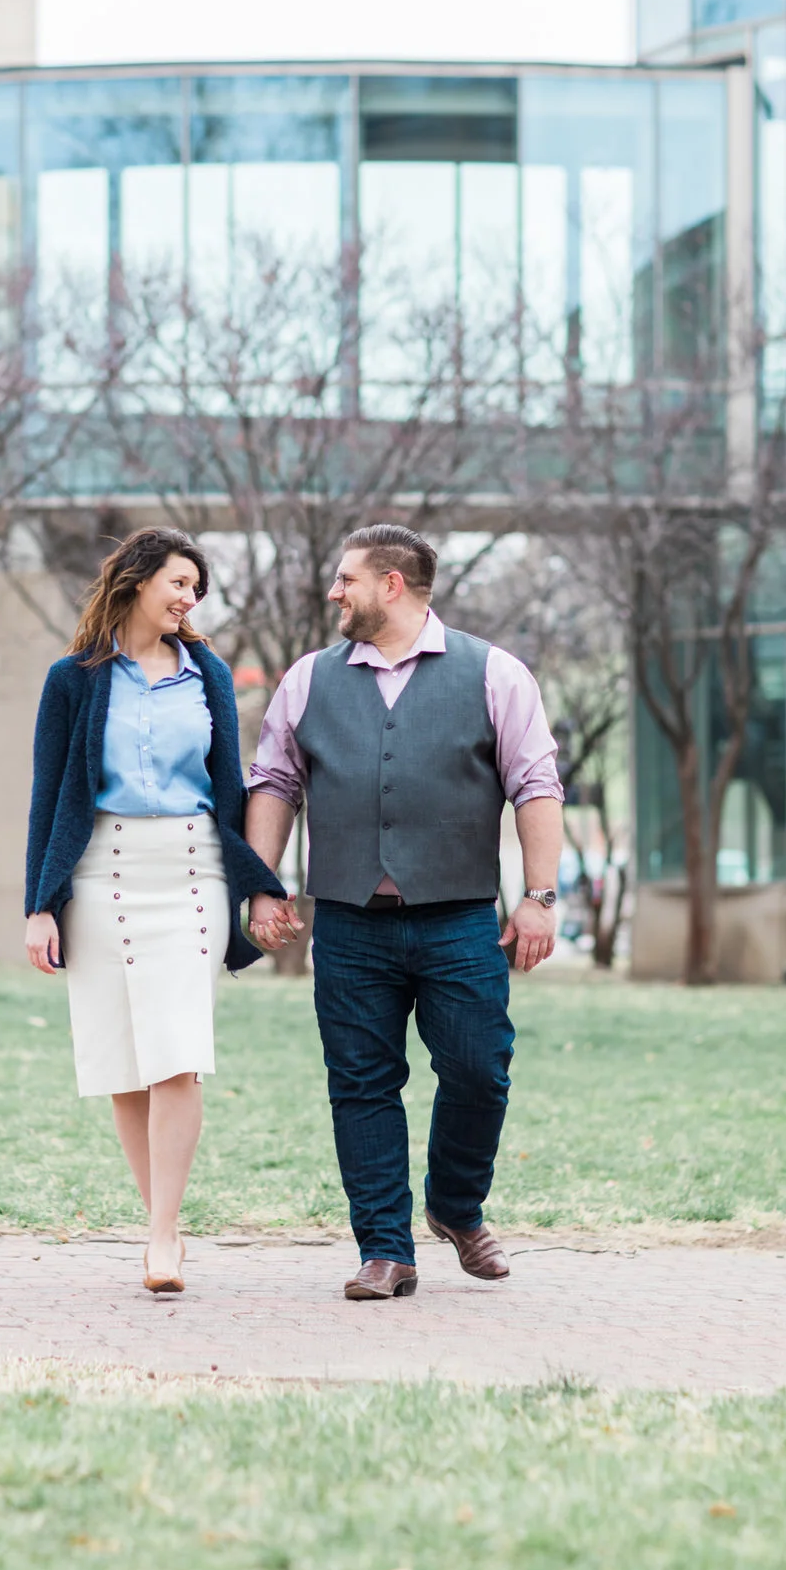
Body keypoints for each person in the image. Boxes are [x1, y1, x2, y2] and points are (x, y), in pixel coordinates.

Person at [241, 523, 564, 1302]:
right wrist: (262, 884)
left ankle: (456, 1205)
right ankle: (385, 1248)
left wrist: (540, 896)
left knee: (480, 1069)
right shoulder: (308, 679)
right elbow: (275, 782)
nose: (334, 591)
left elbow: (536, 785)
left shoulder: (495, 673)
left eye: (346, 578)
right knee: (360, 1083)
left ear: (392, 585)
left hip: (460, 919)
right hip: (349, 921)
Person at [24, 526, 288, 1294]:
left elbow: (230, 787)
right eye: (178, 583)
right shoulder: (72, 679)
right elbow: (48, 795)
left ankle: (163, 1234)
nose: (188, 599)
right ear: (137, 579)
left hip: (190, 872)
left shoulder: (208, 674)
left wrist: (258, 882)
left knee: (177, 1055)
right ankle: (159, 1225)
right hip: (99, 872)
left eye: (197, 590)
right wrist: (40, 904)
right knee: (124, 1065)